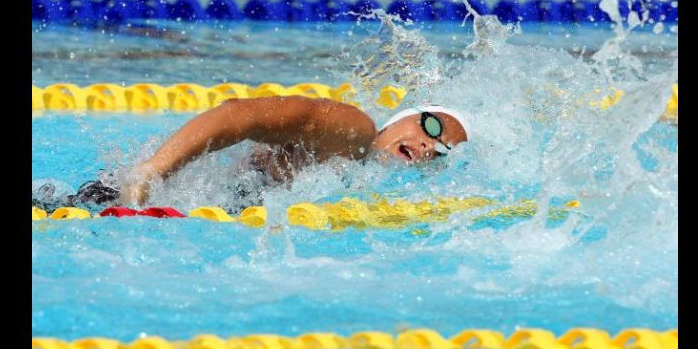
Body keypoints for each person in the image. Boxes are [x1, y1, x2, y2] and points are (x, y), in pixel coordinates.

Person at [33, 96, 470, 212]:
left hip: (214, 211)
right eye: (432, 125)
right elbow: (241, 115)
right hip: (144, 197)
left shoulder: (365, 180)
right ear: (402, 117)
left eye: (443, 150)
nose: (431, 144)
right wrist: (149, 172)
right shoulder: (353, 130)